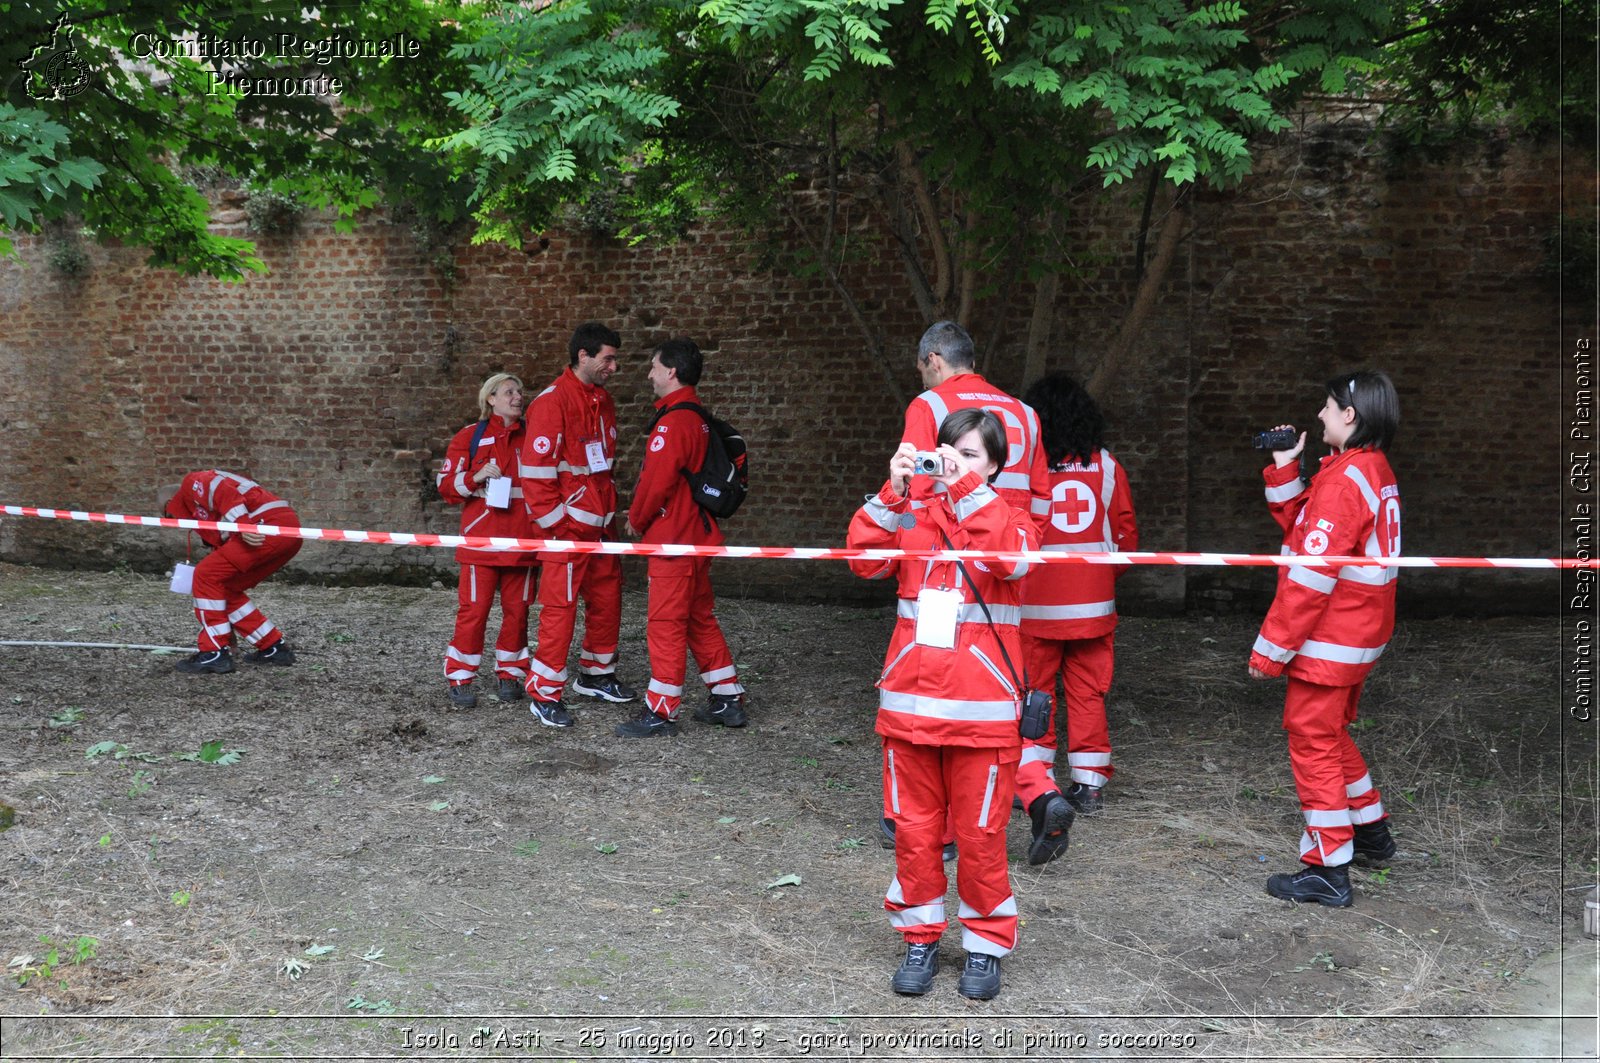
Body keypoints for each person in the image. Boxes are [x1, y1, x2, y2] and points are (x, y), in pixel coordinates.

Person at [847, 407, 1039, 1001]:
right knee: (914, 831)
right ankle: (920, 938)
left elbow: (1015, 559)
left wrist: (964, 488)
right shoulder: (911, 513)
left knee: (982, 836)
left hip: (981, 713)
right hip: (910, 707)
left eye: (972, 455)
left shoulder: (1016, 517)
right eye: (948, 450)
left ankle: (984, 947)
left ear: (998, 466)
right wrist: (895, 489)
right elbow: (862, 559)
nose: (955, 462)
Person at [885, 320, 1050, 859]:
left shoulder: (930, 406)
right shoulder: (1024, 413)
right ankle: (1037, 791)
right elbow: (1041, 503)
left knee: (946, 696)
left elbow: (916, 485)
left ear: (933, 361)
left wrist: (917, 547)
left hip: (946, 559)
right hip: (1007, 556)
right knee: (991, 692)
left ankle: (938, 827)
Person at [1249, 371, 1403, 908]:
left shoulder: (1344, 479)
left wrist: (1271, 649)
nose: (1318, 416)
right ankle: (1370, 831)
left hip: (1333, 634)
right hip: (1360, 631)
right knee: (1330, 732)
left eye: (1327, 407)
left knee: (1312, 739)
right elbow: (1305, 530)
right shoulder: (1366, 470)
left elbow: (1310, 575)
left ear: (1350, 415)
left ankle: (1326, 867)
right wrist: (1286, 465)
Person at [1015, 372, 1138, 862]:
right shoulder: (1107, 466)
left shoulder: (1027, 469)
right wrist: (1104, 582)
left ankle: (1037, 782)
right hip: (1093, 606)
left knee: (1035, 695)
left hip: (1036, 606)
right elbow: (1126, 535)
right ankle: (1088, 786)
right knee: (1089, 693)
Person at [618, 338, 746, 737]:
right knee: (696, 617)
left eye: (654, 367)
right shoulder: (696, 416)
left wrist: (636, 520)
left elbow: (655, 482)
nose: (650, 374)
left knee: (665, 622)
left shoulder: (675, 420)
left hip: (675, 539)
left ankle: (661, 709)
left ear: (671, 371)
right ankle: (727, 697)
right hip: (696, 537)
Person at [520, 322, 637, 727]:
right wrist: (558, 528)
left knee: (607, 599)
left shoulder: (602, 400)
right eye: (608, 358)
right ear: (583, 356)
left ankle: (596, 674)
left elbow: (598, 465)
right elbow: (535, 476)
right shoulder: (552, 403)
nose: (614, 367)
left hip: (600, 527)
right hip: (567, 533)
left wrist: (605, 516)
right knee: (560, 611)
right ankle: (544, 692)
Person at [437, 372, 538, 709]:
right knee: (474, 612)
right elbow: (446, 487)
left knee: (518, 612)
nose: (518, 396)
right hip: (482, 543)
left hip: (523, 542)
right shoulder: (469, 437)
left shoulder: (536, 437)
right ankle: (461, 675)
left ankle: (510, 670)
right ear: (490, 399)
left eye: (520, 391)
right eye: (509, 391)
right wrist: (475, 476)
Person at [163, 470, 302, 674]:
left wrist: (244, 525)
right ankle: (273, 647)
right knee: (224, 586)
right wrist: (227, 633)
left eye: (168, 514)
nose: (174, 520)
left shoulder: (191, 483)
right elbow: (216, 591)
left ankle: (213, 653)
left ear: (170, 501)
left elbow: (218, 487)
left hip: (266, 527)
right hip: (284, 530)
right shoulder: (205, 508)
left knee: (205, 574)